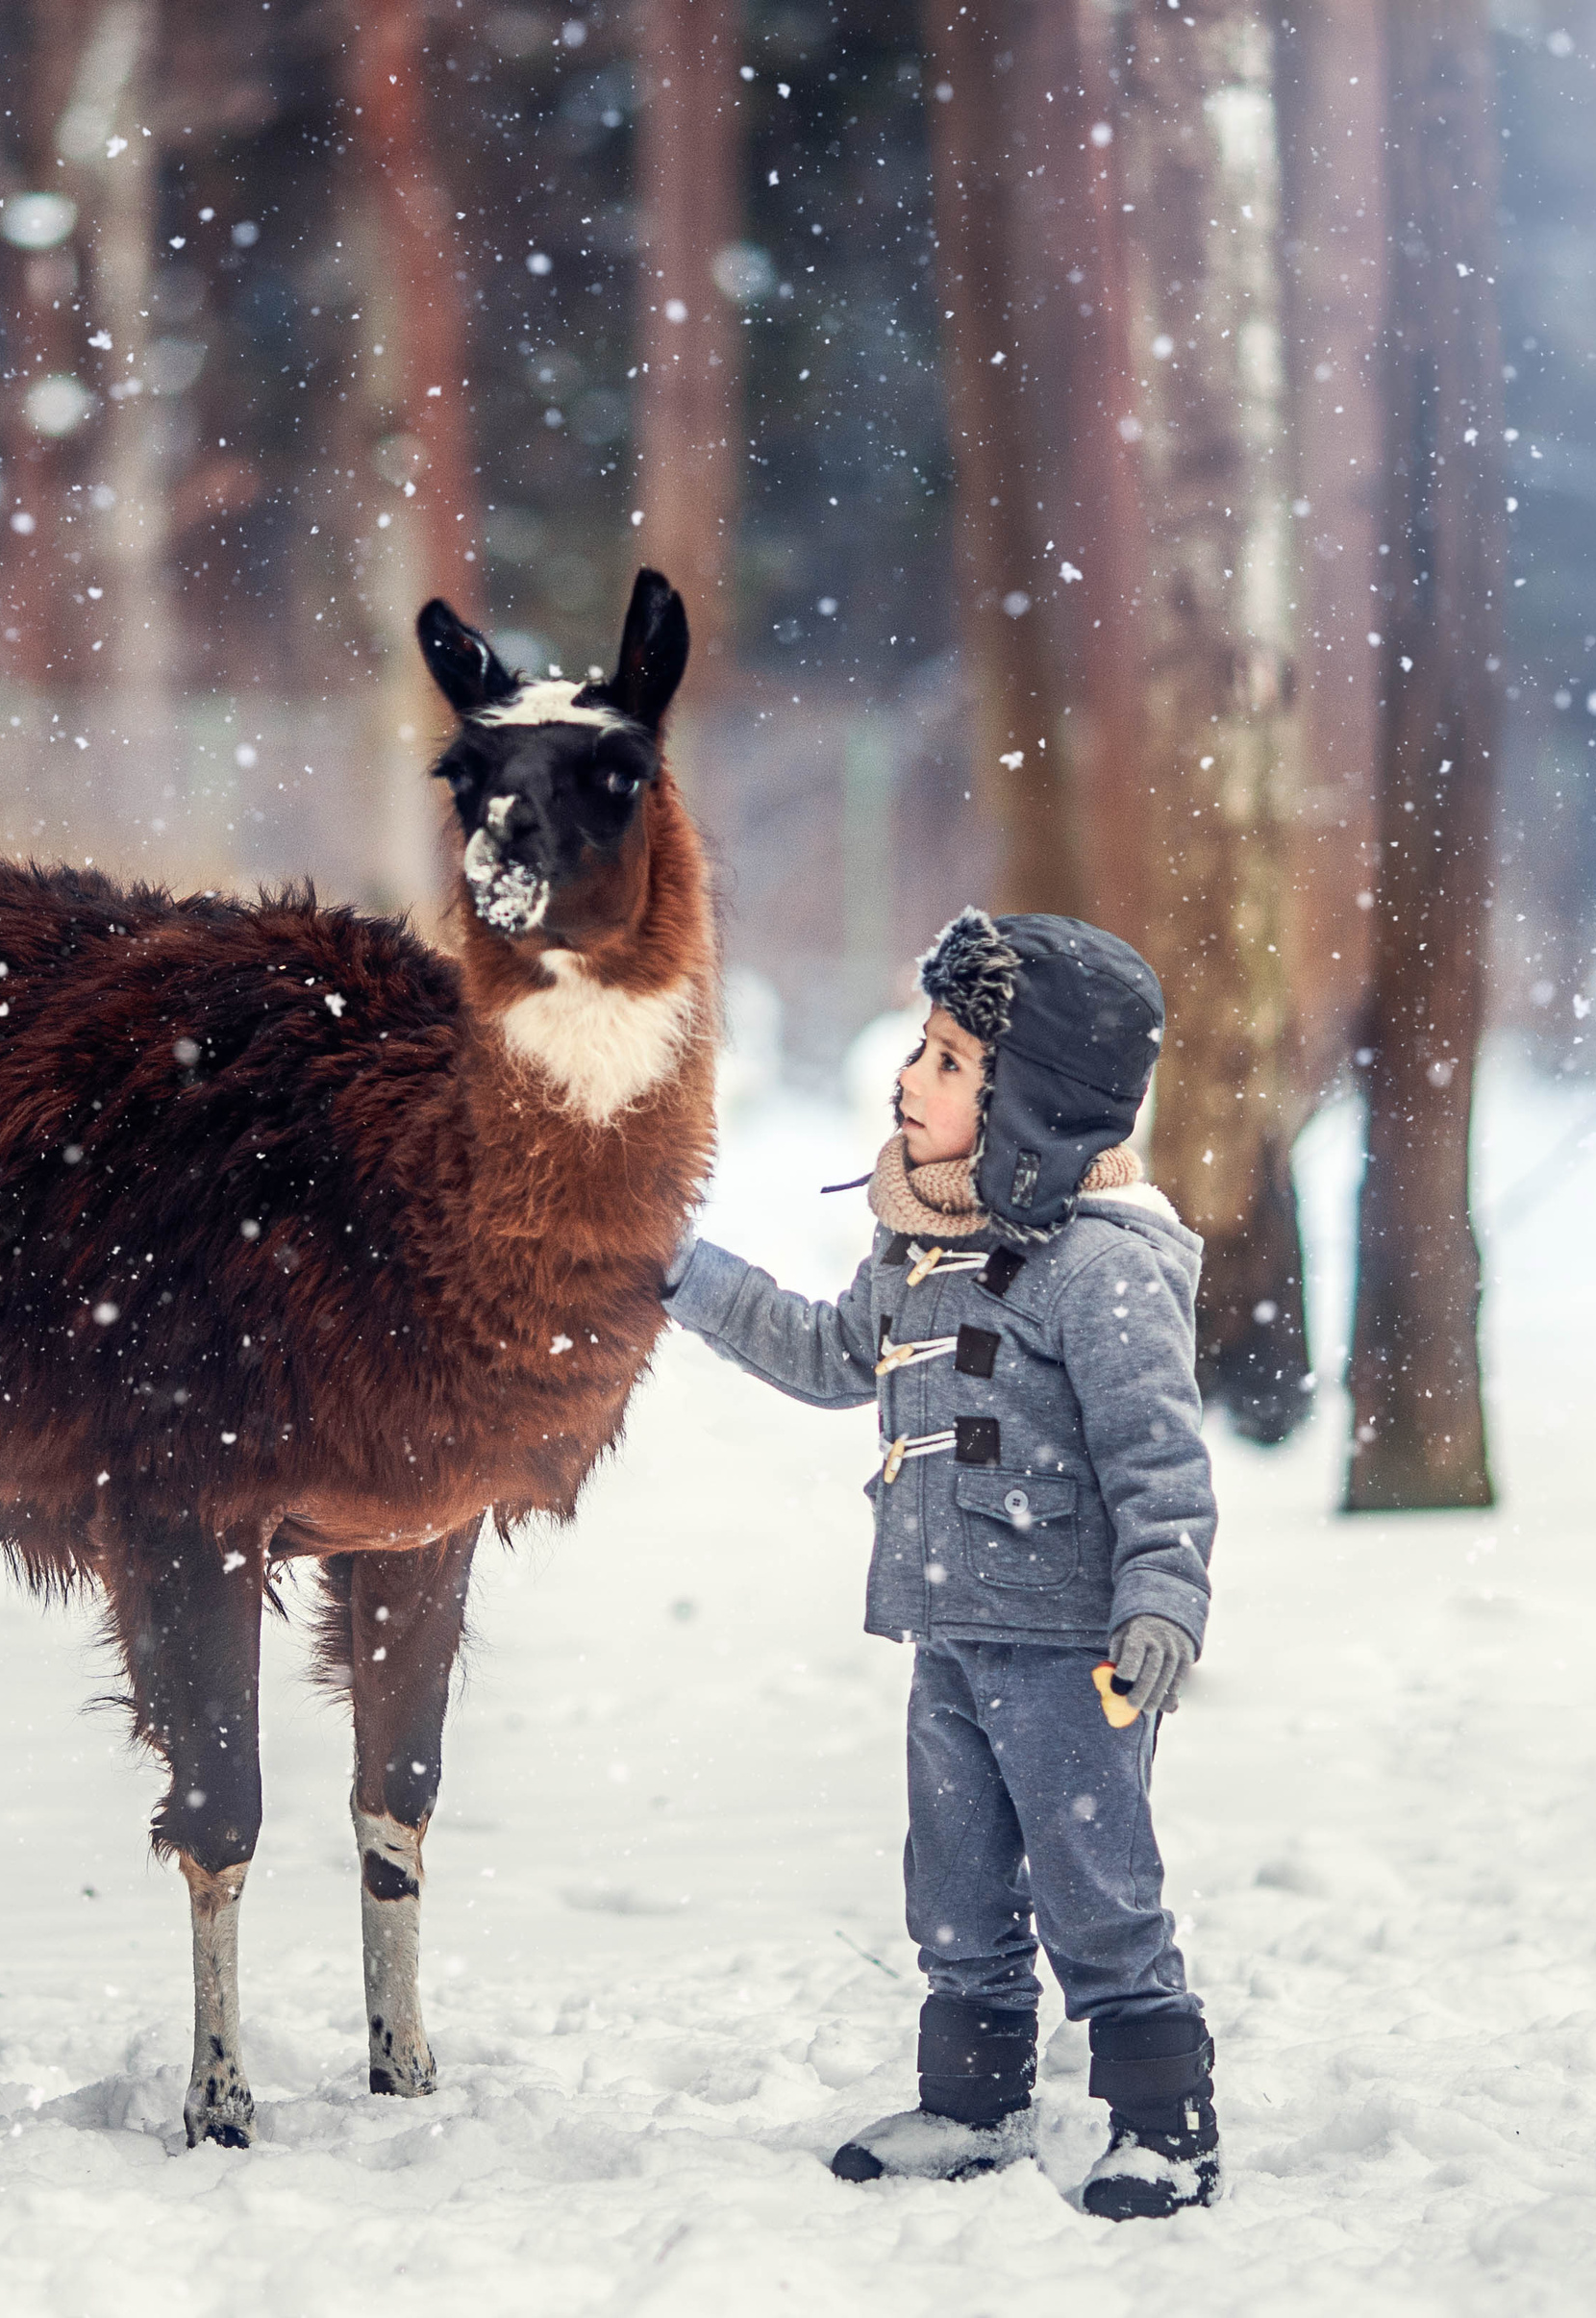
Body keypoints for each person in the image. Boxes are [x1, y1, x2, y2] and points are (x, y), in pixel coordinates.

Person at [662, 909, 1218, 2219]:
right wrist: (676, 1272)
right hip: (951, 1636)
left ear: (1031, 1105)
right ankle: (973, 2103)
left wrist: (1163, 1602)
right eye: (925, 1048)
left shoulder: (1102, 1271)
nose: (911, 1078)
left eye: (953, 1061)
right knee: (956, 1882)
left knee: (1098, 1891)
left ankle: (1166, 2124)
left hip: (1078, 1658)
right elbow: (821, 1352)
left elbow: (1160, 1463)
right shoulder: (919, 1243)